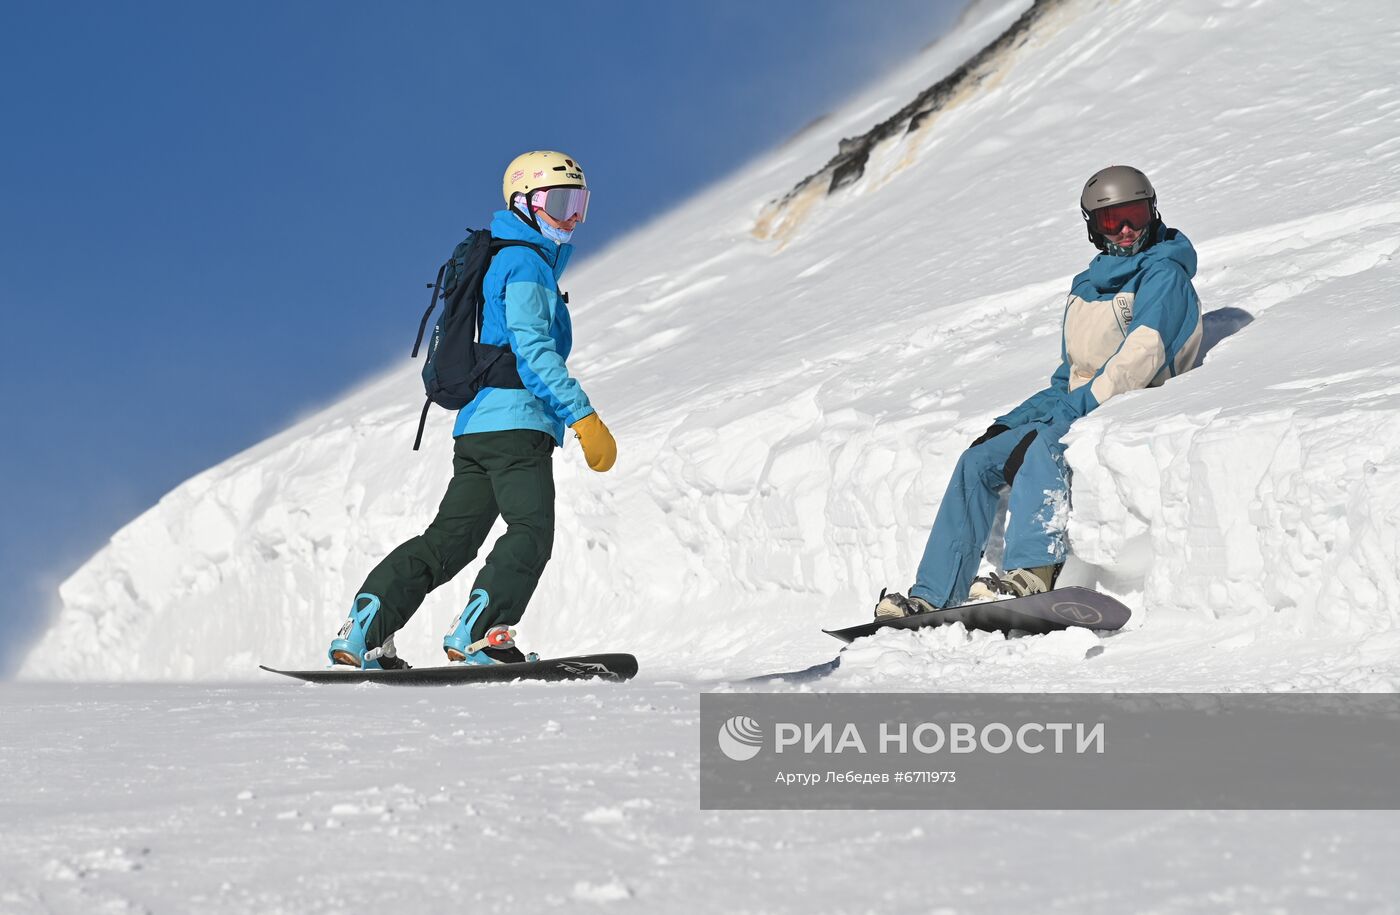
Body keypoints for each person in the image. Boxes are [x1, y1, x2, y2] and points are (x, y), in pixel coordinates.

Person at [328, 150, 617, 668]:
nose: (572, 218)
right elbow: (533, 350)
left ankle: (364, 630)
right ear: (524, 203)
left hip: (477, 429)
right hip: (518, 427)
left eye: (580, 204)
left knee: (448, 542)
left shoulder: (499, 258)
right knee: (531, 531)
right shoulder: (525, 262)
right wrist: (583, 416)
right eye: (560, 203)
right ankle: (483, 635)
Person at [876, 165, 1202, 619]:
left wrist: (1070, 411)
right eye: (1112, 220)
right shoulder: (1085, 286)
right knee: (976, 461)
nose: (1126, 229)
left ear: (1153, 211)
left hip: (1136, 400)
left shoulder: (1165, 274)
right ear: (1094, 227)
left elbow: (1138, 361)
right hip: (1086, 401)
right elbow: (1069, 376)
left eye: (1136, 214)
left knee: (1045, 442)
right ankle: (933, 594)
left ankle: (1032, 573)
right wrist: (1012, 422)